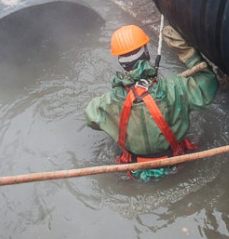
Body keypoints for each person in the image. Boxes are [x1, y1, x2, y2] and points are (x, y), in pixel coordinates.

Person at [84, 24, 219, 180]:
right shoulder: (175, 88)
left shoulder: (107, 102)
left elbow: (90, 117)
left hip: (134, 172)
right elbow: (209, 84)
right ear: (146, 52)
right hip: (175, 167)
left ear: (121, 61)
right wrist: (188, 53)